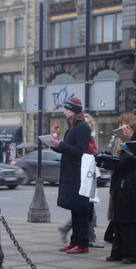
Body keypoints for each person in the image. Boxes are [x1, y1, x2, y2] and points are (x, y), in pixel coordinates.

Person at [105, 112, 136, 264]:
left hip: (128, 182)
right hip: (120, 181)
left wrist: (113, 162)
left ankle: (132, 253)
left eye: (123, 125)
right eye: (120, 125)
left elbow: (131, 161)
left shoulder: (135, 140)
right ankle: (118, 251)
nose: (121, 128)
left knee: (128, 219)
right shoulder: (120, 141)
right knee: (118, 219)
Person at [59, 113, 104, 248]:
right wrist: (57, 145)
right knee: (82, 208)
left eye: (90, 123)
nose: (87, 125)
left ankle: (85, 238)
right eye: (86, 123)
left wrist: (60, 145)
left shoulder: (85, 135)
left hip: (87, 173)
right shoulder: (76, 132)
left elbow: (84, 153)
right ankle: (80, 238)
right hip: (82, 173)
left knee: (86, 208)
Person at [53, 96, 91, 254]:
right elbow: (68, 148)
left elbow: (80, 152)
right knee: (74, 209)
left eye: (67, 109)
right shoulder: (72, 126)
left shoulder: (82, 127)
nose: (64, 112)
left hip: (78, 173)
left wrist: (61, 145)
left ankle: (83, 243)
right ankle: (74, 241)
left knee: (80, 209)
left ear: (74, 111)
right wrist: (55, 145)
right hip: (71, 172)